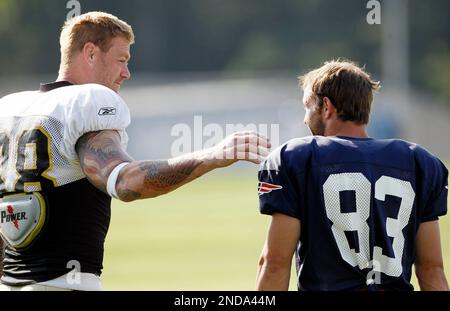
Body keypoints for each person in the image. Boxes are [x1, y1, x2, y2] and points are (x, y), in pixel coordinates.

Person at [0, 11, 270, 291]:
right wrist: (212, 156)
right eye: (122, 60)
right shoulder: (87, 101)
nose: (126, 73)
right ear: (90, 53)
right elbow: (127, 183)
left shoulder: (10, 110)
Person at [256, 60, 448, 291]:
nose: (305, 118)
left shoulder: (296, 158)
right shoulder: (419, 161)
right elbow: (432, 269)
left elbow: (274, 264)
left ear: (326, 106)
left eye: (307, 107)